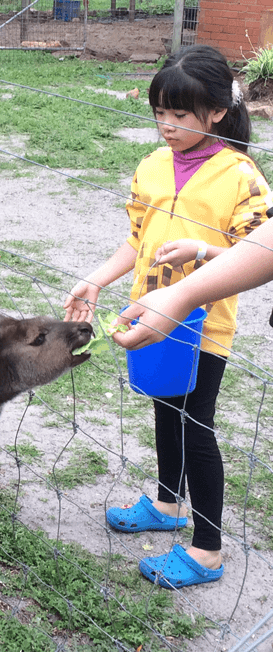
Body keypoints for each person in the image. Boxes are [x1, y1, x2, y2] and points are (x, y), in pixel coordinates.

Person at [63, 44, 273, 589]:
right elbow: (137, 240)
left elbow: (261, 254)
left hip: (204, 324)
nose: (168, 126)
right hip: (147, 310)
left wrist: (202, 252)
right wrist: (97, 278)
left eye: (180, 115)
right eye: (160, 113)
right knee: (164, 407)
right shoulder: (152, 166)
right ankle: (167, 502)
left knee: (195, 423)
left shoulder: (241, 176)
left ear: (218, 113)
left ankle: (207, 549)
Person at [112, 219, 273, 350]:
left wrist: (201, 251)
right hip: (157, 312)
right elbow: (137, 235)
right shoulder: (146, 178)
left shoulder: (246, 182)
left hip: (211, 328)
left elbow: (255, 246)